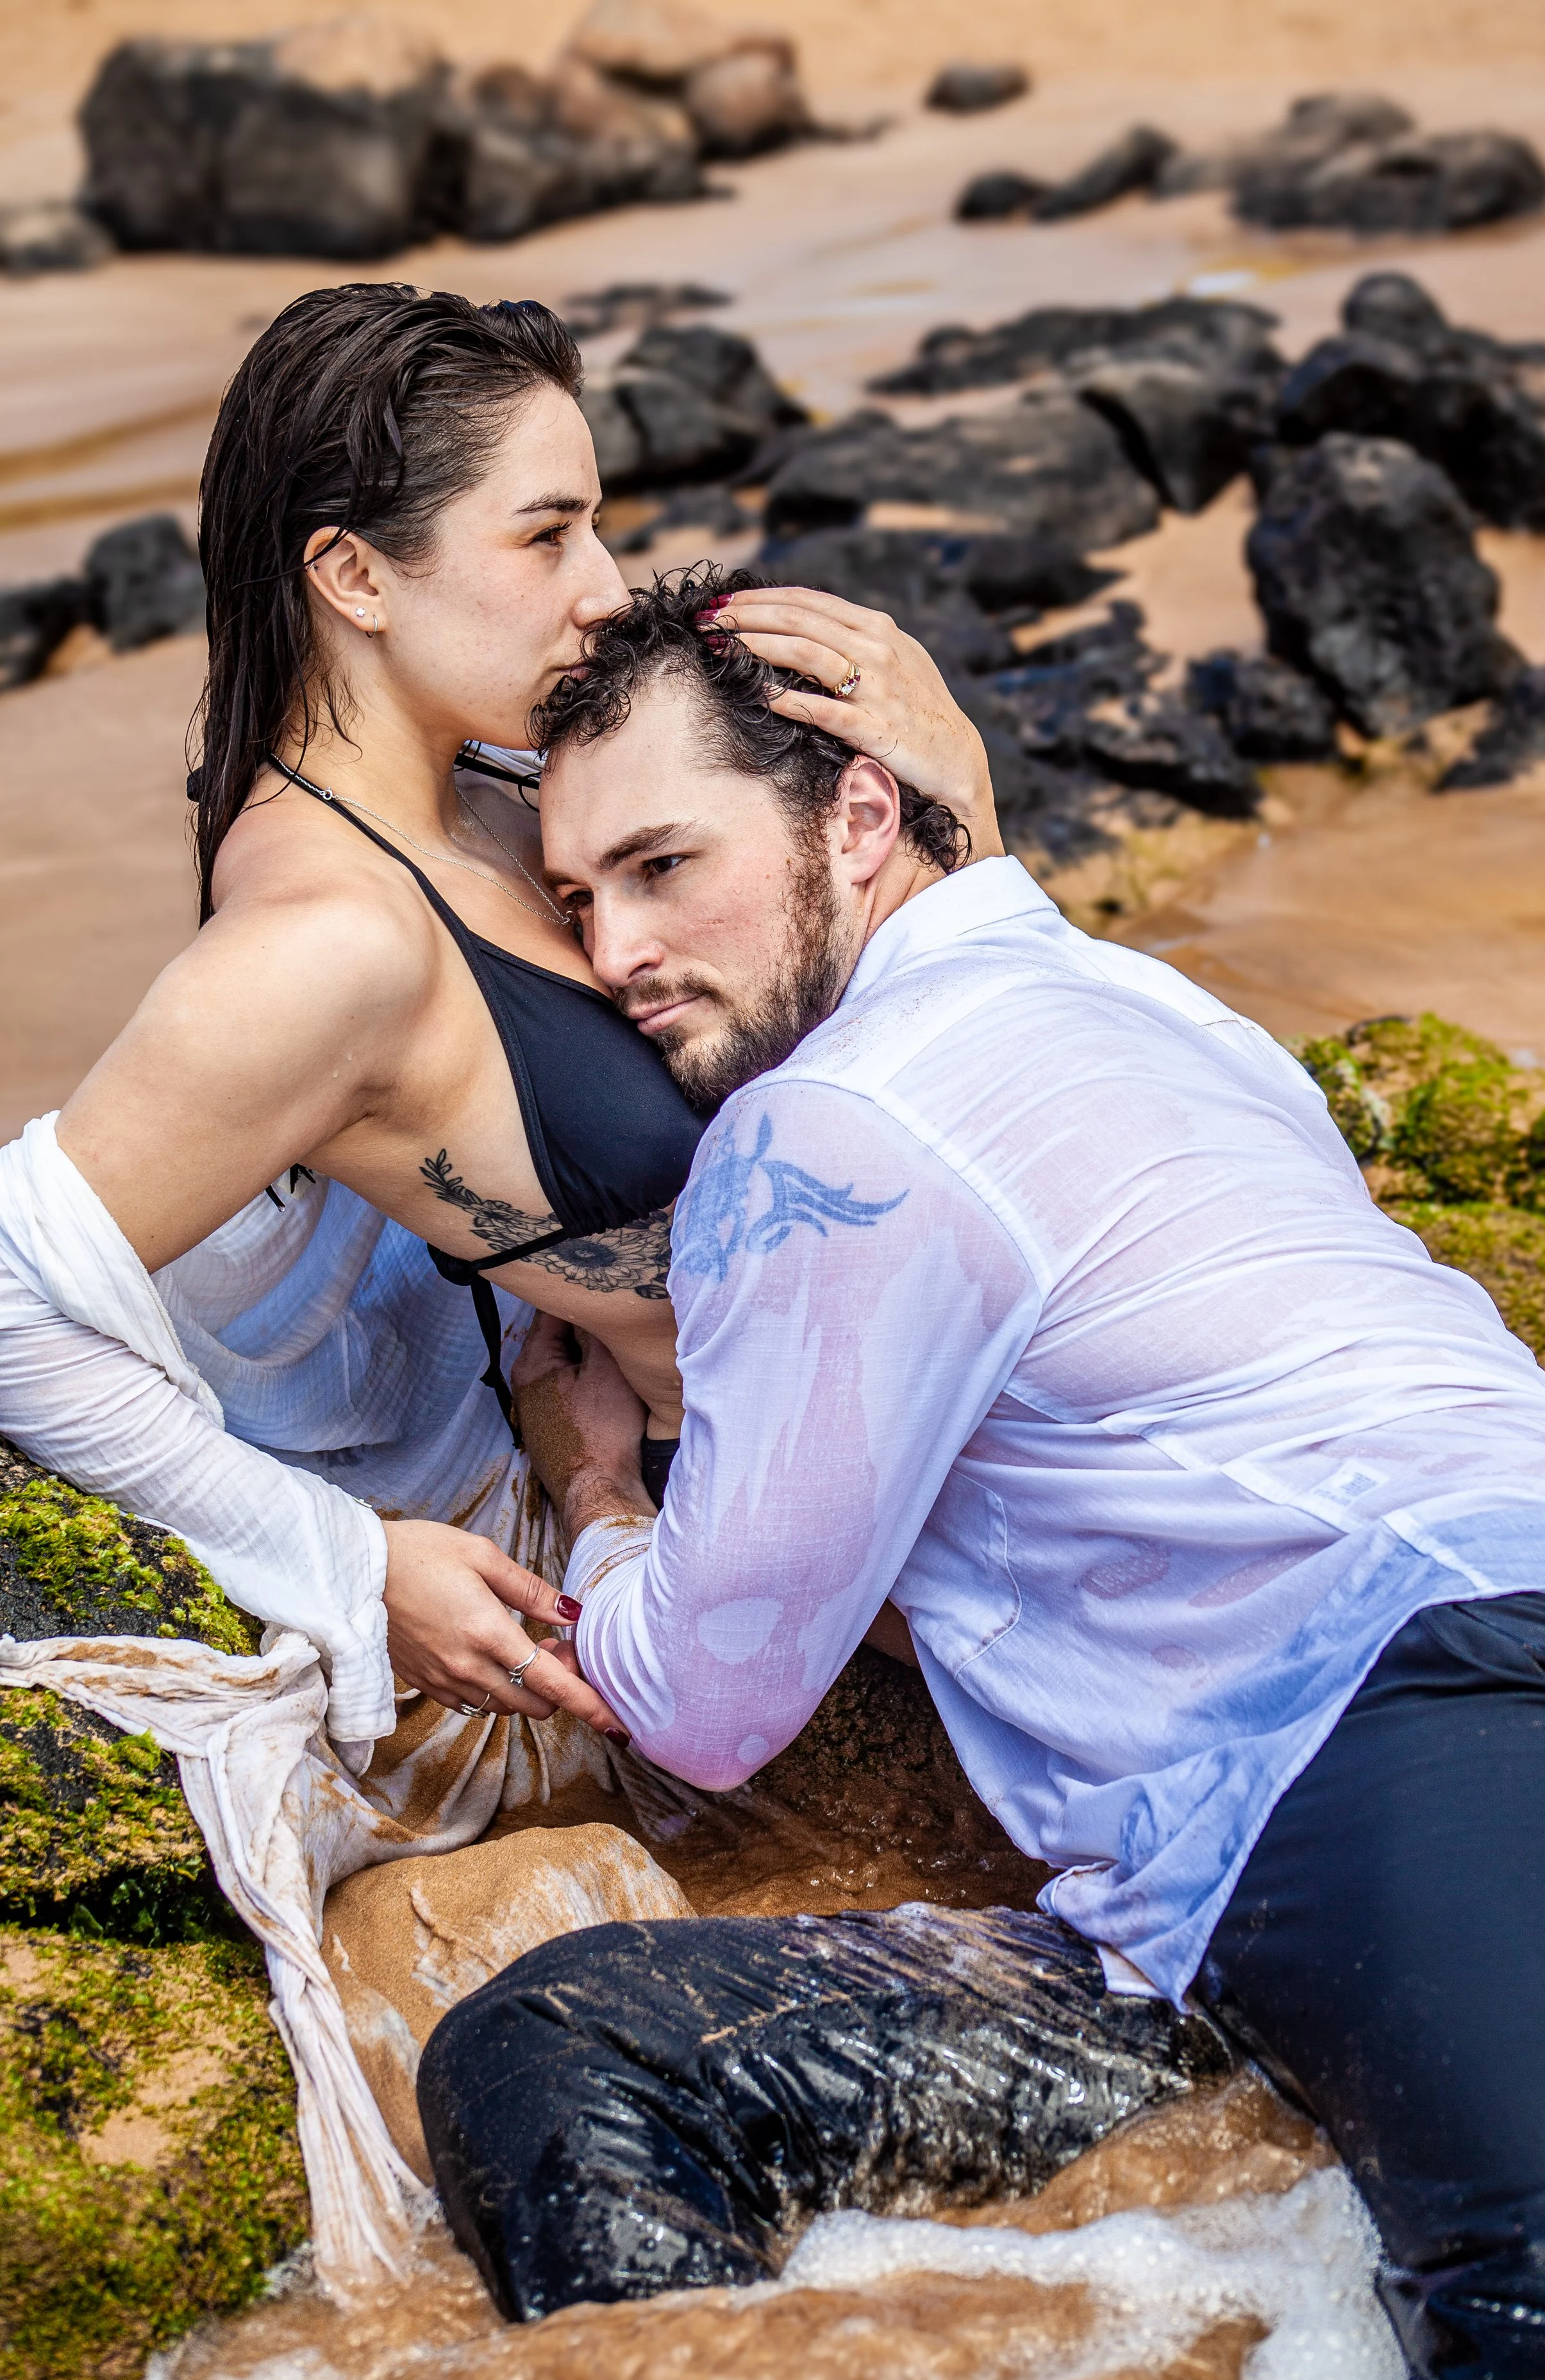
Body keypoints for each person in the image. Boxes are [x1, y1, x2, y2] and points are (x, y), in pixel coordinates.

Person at [422, 566, 1545, 2380]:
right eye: (575, 899)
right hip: (1288, 1840)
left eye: (664, 865)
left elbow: (701, 1697)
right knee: (575, 2042)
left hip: (1429, 1712)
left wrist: (595, 1481)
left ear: (859, 811)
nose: (618, 951)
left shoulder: (826, 1124)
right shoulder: (1162, 1009)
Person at [0, 281, 998, 1747]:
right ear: (352, 575)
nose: (601, 586)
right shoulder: (327, 943)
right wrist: (342, 1558)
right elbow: (9, 1301)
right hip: (857, 1534)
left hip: (958, 1386)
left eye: (591, 525)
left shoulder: (510, 799)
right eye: (544, 536)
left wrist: (953, 798)